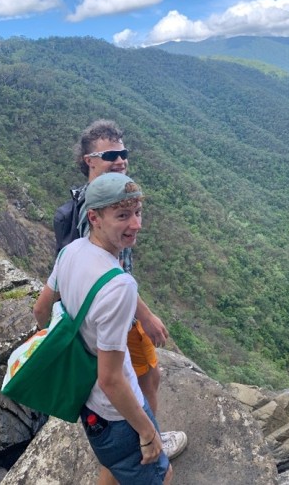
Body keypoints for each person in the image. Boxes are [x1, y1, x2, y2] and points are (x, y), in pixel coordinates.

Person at [34, 173, 172, 484]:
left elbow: (41, 311)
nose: (136, 225)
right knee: (162, 476)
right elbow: (110, 380)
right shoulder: (119, 285)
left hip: (88, 403)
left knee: (115, 466)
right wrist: (148, 432)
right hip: (117, 413)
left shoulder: (71, 252)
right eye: (122, 215)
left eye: (137, 213)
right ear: (94, 217)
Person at [66, 119, 187, 460]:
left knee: (148, 374)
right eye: (110, 154)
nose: (120, 159)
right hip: (115, 311)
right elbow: (103, 273)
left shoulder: (112, 198)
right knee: (143, 376)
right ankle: (147, 437)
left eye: (123, 152)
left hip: (115, 305)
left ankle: (143, 433)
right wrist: (143, 314)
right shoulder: (91, 211)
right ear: (89, 160)